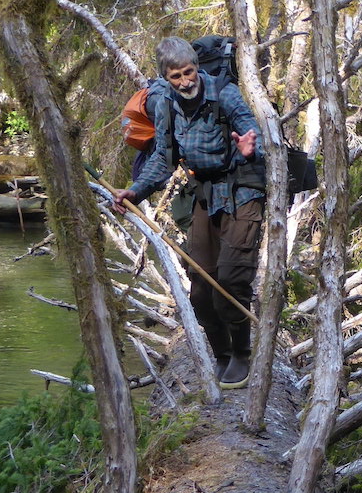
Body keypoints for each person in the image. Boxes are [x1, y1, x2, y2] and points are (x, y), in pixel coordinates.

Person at [112, 37, 265, 389]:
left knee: (230, 279)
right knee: (199, 289)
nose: (185, 81)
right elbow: (162, 158)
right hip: (204, 194)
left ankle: (243, 355)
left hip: (241, 188)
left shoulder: (224, 93)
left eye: (189, 72)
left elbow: (251, 132)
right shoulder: (165, 102)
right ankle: (222, 355)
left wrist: (247, 148)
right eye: (177, 76)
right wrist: (134, 191)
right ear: (165, 77)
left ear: (197, 67)